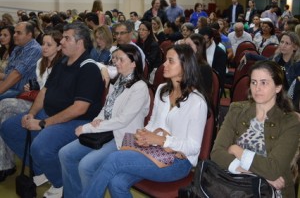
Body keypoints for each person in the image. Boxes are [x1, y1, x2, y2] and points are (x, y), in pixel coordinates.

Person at [81, 44, 208, 198]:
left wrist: (162, 140)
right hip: (152, 151)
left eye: (170, 61)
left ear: (185, 66)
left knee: (114, 159)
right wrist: (144, 134)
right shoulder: (162, 90)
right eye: (165, 60)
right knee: (116, 182)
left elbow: (193, 147)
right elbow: (153, 123)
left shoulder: (197, 102)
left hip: (178, 162)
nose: (164, 65)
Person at [0, 22, 104, 198]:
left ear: (79, 43)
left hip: (76, 121)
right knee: (9, 128)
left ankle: (60, 182)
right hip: (48, 113)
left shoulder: (89, 68)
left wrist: (42, 123)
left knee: (41, 147)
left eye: (66, 38)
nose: (61, 41)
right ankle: (41, 171)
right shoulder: (62, 64)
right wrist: (31, 114)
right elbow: (44, 92)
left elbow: (79, 108)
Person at [59, 44, 150, 198]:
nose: (116, 63)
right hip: (106, 130)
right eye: (116, 59)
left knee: (86, 166)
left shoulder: (140, 88)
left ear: (134, 63)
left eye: (121, 60)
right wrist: (97, 120)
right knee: (65, 153)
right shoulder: (119, 80)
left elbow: (122, 121)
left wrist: (88, 128)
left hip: (123, 137)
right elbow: (106, 108)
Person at [211, 60, 300, 198]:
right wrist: (253, 174)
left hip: (270, 192)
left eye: (264, 82)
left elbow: (273, 169)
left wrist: (236, 149)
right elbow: (216, 153)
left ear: (278, 87)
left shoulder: (290, 121)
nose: (257, 88)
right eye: (254, 82)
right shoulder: (236, 110)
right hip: (234, 184)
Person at [0, 30, 63, 182]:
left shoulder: (63, 64)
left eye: (49, 45)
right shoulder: (41, 62)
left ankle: (8, 163)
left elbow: (95, 65)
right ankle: (30, 165)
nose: (44, 48)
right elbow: (41, 87)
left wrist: (104, 71)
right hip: (36, 101)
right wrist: (32, 87)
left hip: (50, 107)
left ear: (59, 47)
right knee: (6, 118)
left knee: (4, 106)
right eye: (43, 44)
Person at [0, 22, 42, 100]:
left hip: (20, 91)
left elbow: (17, 74)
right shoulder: (18, 47)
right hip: (10, 86)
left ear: (29, 35)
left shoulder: (35, 49)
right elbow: (8, 73)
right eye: (15, 32)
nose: (14, 35)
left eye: (18, 33)